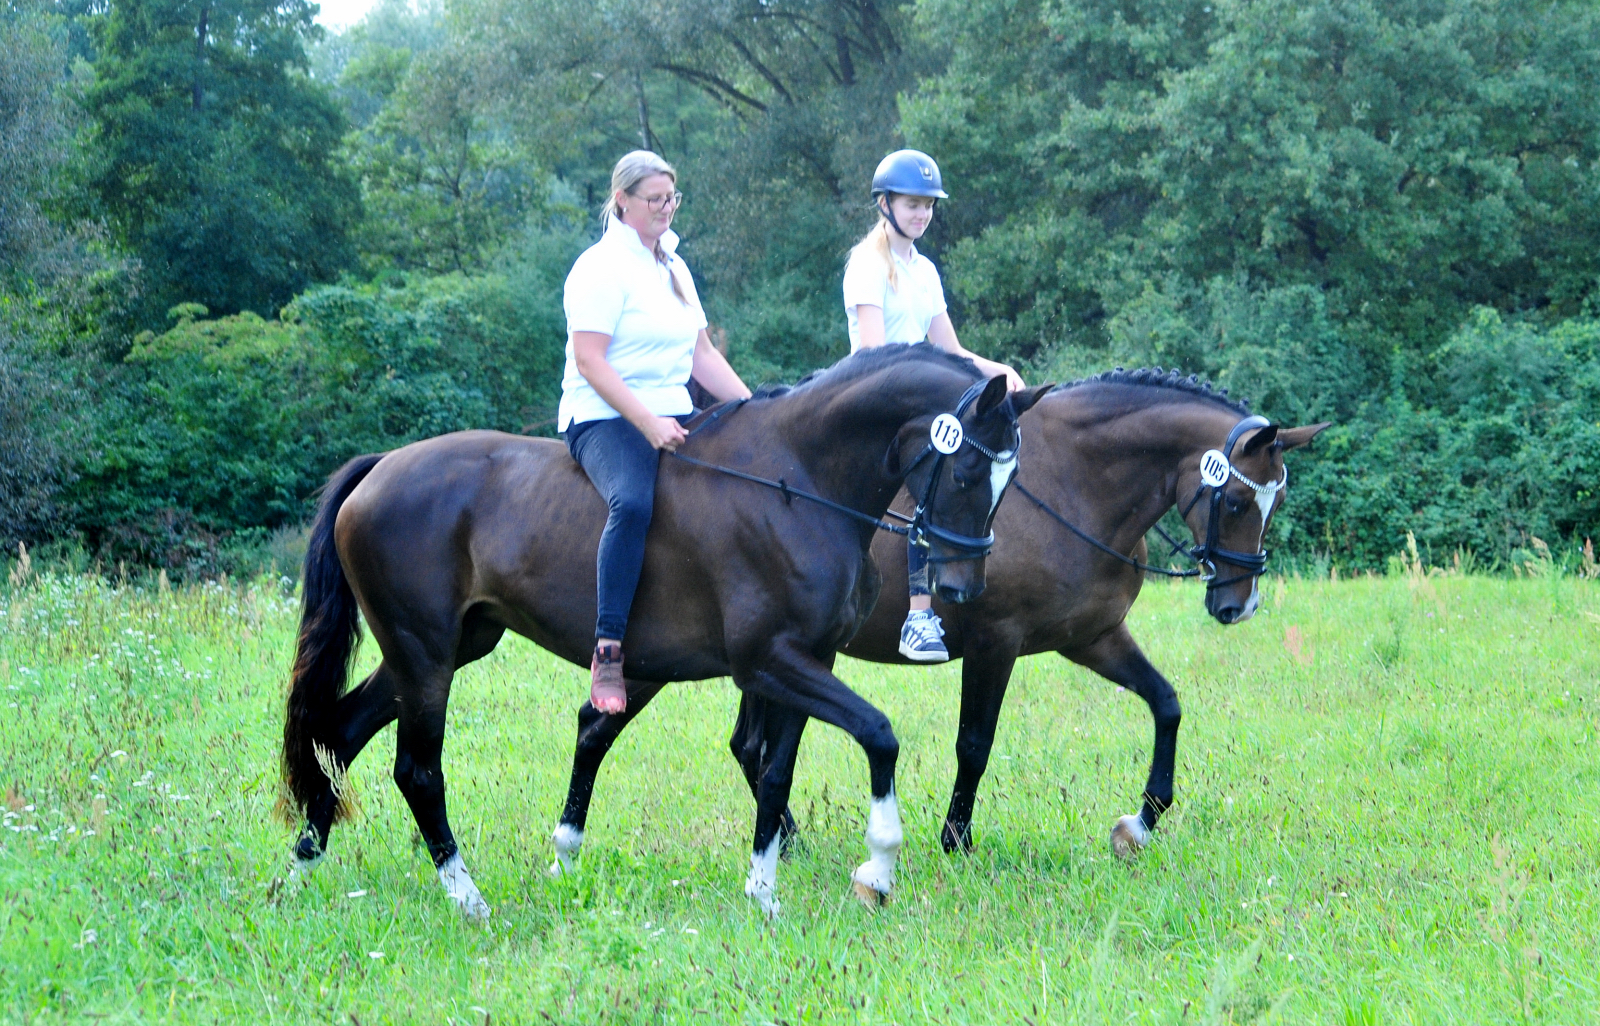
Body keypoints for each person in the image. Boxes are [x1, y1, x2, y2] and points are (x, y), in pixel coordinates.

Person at [562, 150, 752, 713]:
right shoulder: (597, 268)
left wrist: (753, 408)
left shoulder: (674, 266)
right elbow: (591, 361)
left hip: (673, 410)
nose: (667, 209)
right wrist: (646, 423)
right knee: (634, 503)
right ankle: (609, 649)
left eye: (673, 198)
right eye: (655, 199)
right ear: (621, 201)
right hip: (602, 415)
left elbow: (700, 354)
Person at [843, 149, 1026, 662]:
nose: (921, 214)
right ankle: (918, 618)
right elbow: (877, 356)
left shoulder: (923, 270)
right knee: (939, 473)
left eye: (928, 205)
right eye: (912, 204)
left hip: (921, 405)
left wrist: (999, 371)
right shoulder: (866, 264)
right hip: (879, 402)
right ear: (885, 204)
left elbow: (952, 349)